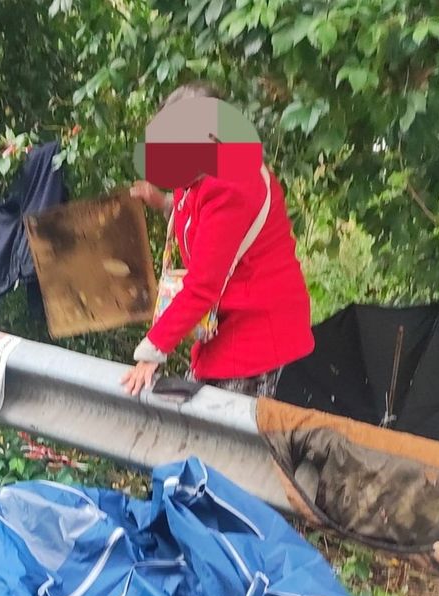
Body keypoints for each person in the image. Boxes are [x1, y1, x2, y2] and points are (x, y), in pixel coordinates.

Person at [121, 82, 314, 398]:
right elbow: (198, 210)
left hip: (258, 333)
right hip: (226, 323)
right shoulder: (199, 169)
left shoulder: (232, 185)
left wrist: (152, 350)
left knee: (216, 423)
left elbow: (203, 285)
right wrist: (164, 202)